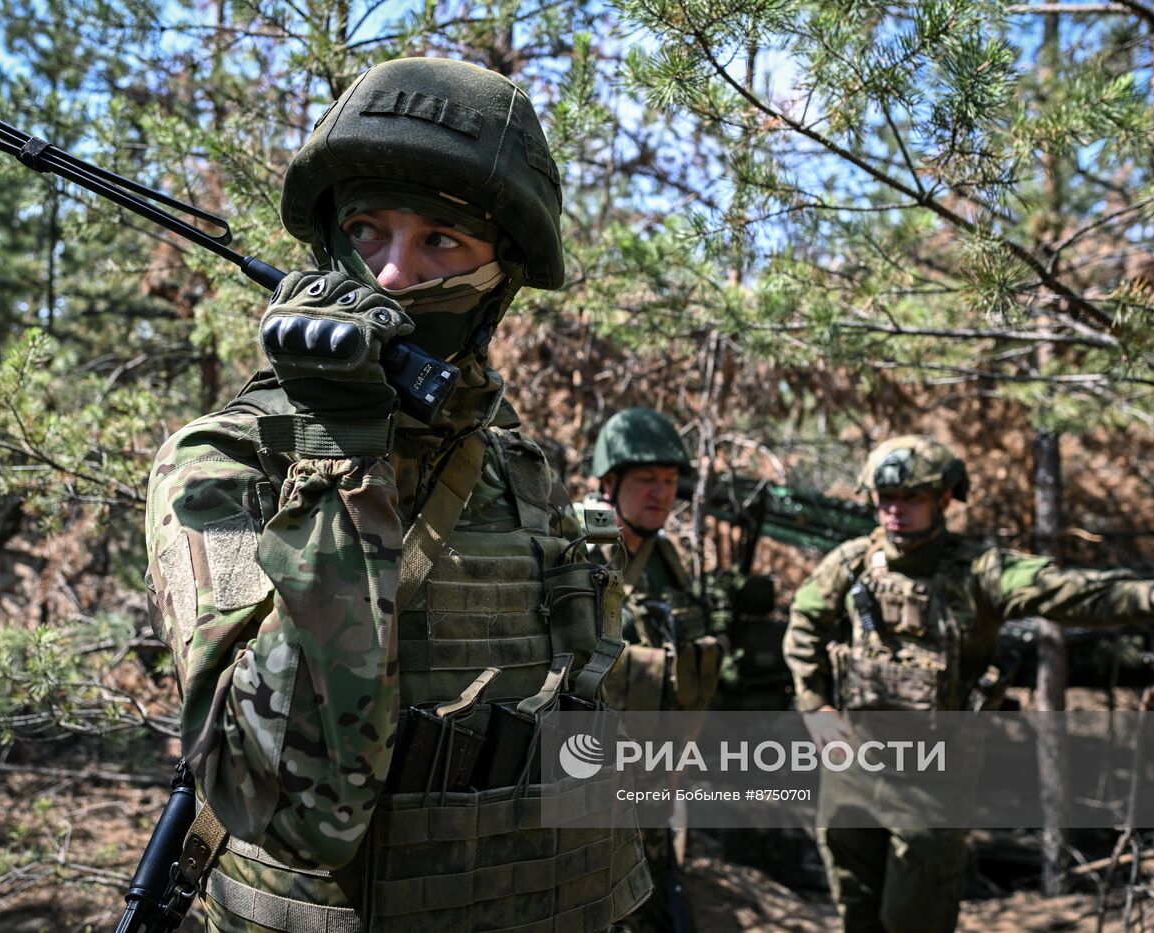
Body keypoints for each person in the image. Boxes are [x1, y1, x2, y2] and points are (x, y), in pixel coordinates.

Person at [144, 57, 650, 932]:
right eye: (368, 232)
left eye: (440, 242)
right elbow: (297, 810)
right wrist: (340, 456)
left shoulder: (518, 467)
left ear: (503, 278)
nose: (389, 277)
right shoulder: (225, 463)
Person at [783, 434, 1154, 933]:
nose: (895, 511)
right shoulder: (851, 564)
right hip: (854, 762)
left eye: (911, 498)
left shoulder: (979, 571)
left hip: (933, 773)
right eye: (886, 499)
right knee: (855, 903)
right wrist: (815, 706)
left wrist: (1150, 596)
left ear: (944, 498)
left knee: (915, 913)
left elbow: (1064, 590)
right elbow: (803, 623)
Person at [584, 407, 729, 933]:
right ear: (610, 482)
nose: (660, 494)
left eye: (669, 482)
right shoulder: (579, 550)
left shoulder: (668, 562)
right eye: (646, 480)